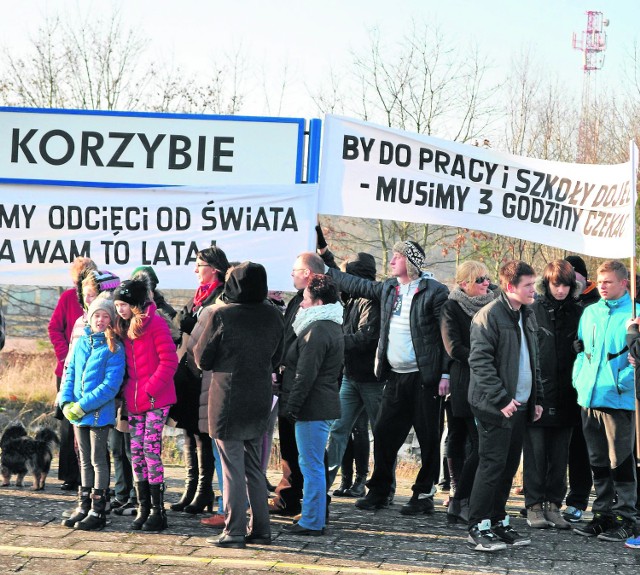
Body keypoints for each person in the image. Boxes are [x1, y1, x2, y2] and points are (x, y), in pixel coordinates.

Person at [325, 241, 449, 514]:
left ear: (412, 262)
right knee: (383, 435)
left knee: (429, 438)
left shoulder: (435, 292)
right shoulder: (389, 288)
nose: (391, 261)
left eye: (397, 257)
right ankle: (379, 492)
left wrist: (445, 373)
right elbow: (356, 285)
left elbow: (446, 336)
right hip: (394, 376)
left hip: (424, 378)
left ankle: (423, 495)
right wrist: (325, 267)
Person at [195, 262, 284, 548]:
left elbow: (202, 359)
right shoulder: (273, 315)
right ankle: (260, 529)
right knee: (253, 467)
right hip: (259, 394)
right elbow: (278, 356)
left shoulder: (223, 315)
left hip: (227, 398)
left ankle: (234, 530)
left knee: (232, 466)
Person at [466, 260, 543, 552]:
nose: (533, 291)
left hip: (521, 407)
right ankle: (477, 526)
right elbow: (480, 363)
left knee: (508, 467)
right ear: (511, 287)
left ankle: (497, 521)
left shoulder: (526, 313)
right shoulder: (488, 317)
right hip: (495, 407)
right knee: (491, 466)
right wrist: (501, 399)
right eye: (528, 286)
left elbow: (533, 361)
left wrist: (537, 400)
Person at [572, 260, 637, 541]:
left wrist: (620, 383)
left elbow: (635, 361)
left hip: (618, 400)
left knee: (620, 461)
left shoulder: (634, 314)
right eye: (600, 281)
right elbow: (581, 350)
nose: (602, 286)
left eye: (608, 282)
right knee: (597, 460)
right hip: (589, 397)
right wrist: (579, 379)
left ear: (624, 283)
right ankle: (602, 514)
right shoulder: (590, 313)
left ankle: (627, 516)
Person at [113, 276, 179, 532]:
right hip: (135, 400)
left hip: (156, 399)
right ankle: (143, 507)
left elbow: (169, 362)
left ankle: (158, 511)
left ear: (135, 303)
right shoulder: (124, 327)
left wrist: (150, 391)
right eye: (117, 304)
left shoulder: (155, 325)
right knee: (136, 453)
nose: (120, 309)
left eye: (124, 304)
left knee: (151, 451)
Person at [169, 247, 229, 525]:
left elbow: (207, 329)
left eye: (199, 265)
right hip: (189, 374)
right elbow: (179, 322)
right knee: (189, 433)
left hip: (206, 374)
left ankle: (204, 490)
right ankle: (190, 487)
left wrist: (189, 322)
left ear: (213, 268)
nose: (195, 270)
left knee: (203, 433)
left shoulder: (222, 295)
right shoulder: (201, 295)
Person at [281, 274, 344, 535]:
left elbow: (305, 375)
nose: (302, 304)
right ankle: (312, 516)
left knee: (311, 465)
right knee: (312, 463)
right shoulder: (329, 324)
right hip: (319, 404)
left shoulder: (317, 330)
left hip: (312, 407)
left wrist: (292, 407)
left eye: (305, 299)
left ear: (317, 301)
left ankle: (312, 520)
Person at [59, 295, 126, 530]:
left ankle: (98, 511)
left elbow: (110, 386)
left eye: (105, 316)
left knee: (98, 460)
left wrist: (83, 405)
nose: (100, 320)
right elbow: (70, 373)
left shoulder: (115, 348)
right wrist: (66, 401)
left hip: (98, 414)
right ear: (90, 317)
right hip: (77, 414)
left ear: (111, 320)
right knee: (84, 461)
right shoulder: (81, 343)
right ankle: (84, 505)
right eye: (97, 315)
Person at [524, 260, 582, 530]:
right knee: (535, 453)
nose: (560, 290)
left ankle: (554, 504)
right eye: (556, 284)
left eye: (565, 285)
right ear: (546, 284)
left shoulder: (580, 313)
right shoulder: (532, 310)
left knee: (560, 455)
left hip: (569, 393)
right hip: (539, 393)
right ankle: (534, 505)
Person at [269, 251, 327, 517]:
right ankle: (288, 496)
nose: (291, 275)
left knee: (311, 450)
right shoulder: (296, 302)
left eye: (295, 270)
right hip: (289, 380)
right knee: (291, 446)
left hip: (305, 386)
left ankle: (316, 505)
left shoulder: (319, 307)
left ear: (308, 274)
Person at [321, 251, 382, 498]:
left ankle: (378, 486)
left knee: (379, 433)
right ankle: (324, 482)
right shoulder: (353, 298)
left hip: (372, 380)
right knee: (338, 429)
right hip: (351, 376)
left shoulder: (371, 301)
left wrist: (334, 341)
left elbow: (367, 337)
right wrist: (323, 251)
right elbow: (333, 272)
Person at [440, 260, 495, 524]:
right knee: (472, 441)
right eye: (480, 280)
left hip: (487, 382)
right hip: (465, 383)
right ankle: (460, 497)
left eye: (488, 279)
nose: (487, 284)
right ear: (464, 284)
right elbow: (453, 348)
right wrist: (485, 357)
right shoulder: (451, 306)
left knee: (475, 442)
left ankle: (462, 499)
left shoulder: (495, 305)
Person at [48, 256, 97, 491]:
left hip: (94, 370)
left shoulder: (101, 300)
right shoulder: (67, 297)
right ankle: (70, 474)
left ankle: (92, 474)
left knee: (91, 420)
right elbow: (54, 328)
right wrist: (64, 354)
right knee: (68, 422)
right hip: (68, 369)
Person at [562, 254, 598, 523]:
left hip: (590, 383)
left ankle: (579, 498)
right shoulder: (557, 300)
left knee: (583, 447)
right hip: (561, 380)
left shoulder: (596, 302)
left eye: (573, 277)